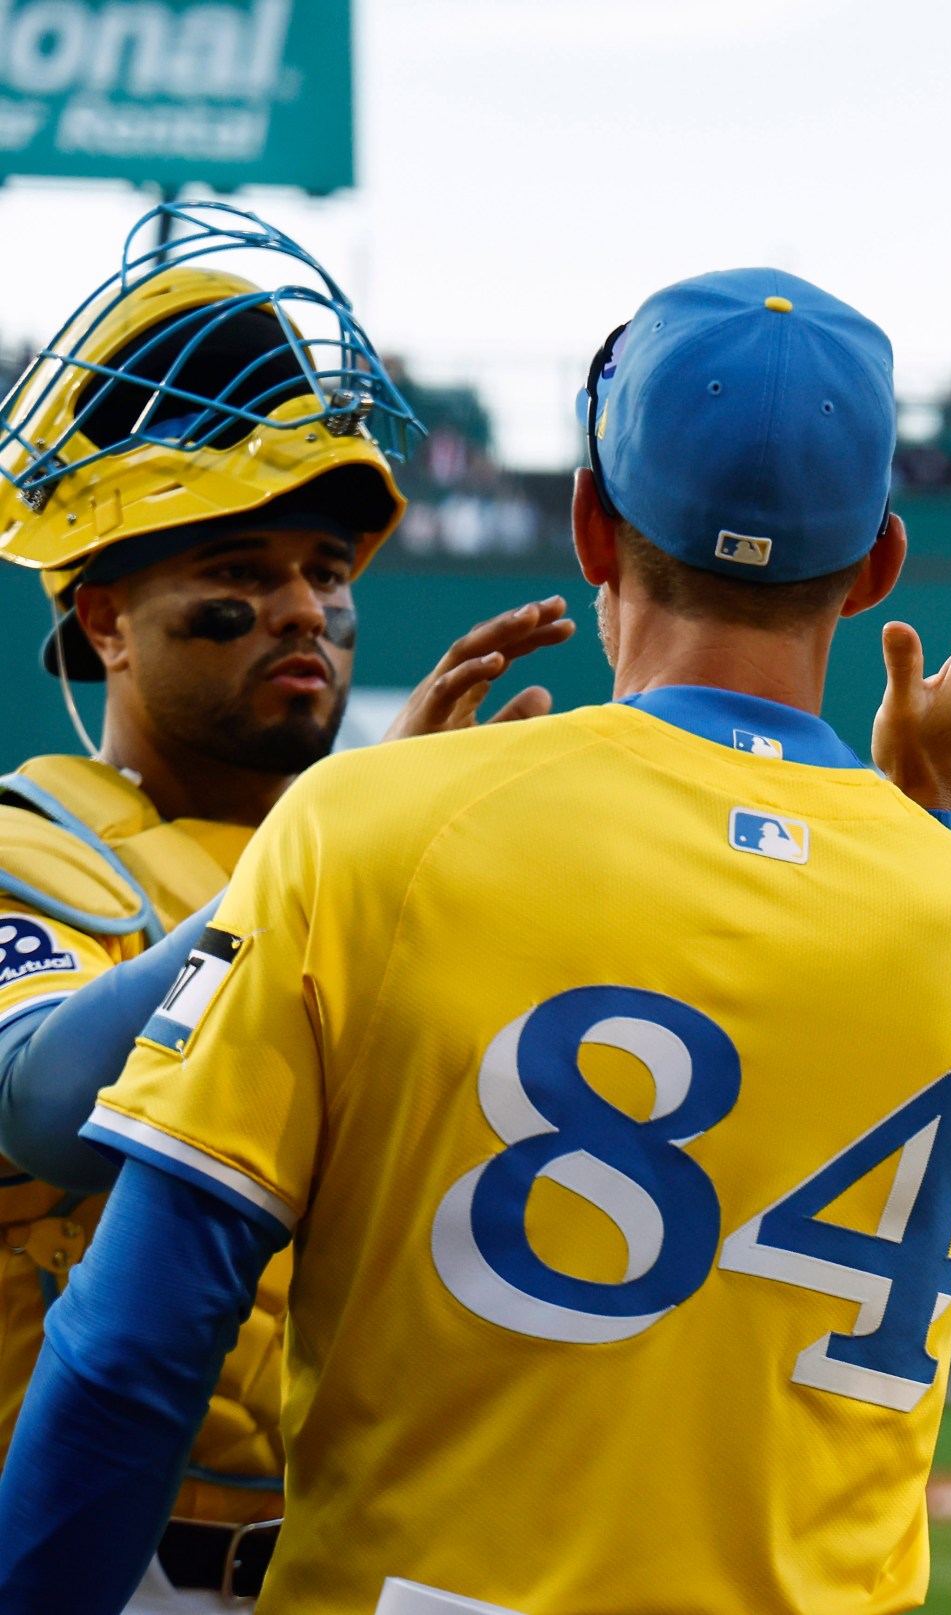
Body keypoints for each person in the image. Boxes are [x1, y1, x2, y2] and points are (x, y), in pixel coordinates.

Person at [0, 267, 951, 1615]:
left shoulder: (377, 831)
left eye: (319, 575)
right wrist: (923, 828)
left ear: (587, 520)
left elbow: (132, 1347)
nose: (297, 609)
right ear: (877, 565)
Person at [0, 203, 573, 1611]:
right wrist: (350, 835)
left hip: (368, 1557)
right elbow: (41, 1095)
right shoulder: (36, 840)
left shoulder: (397, 856)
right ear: (103, 619)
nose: (303, 608)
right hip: (88, 1555)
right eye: (239, 576)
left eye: (323, 571)